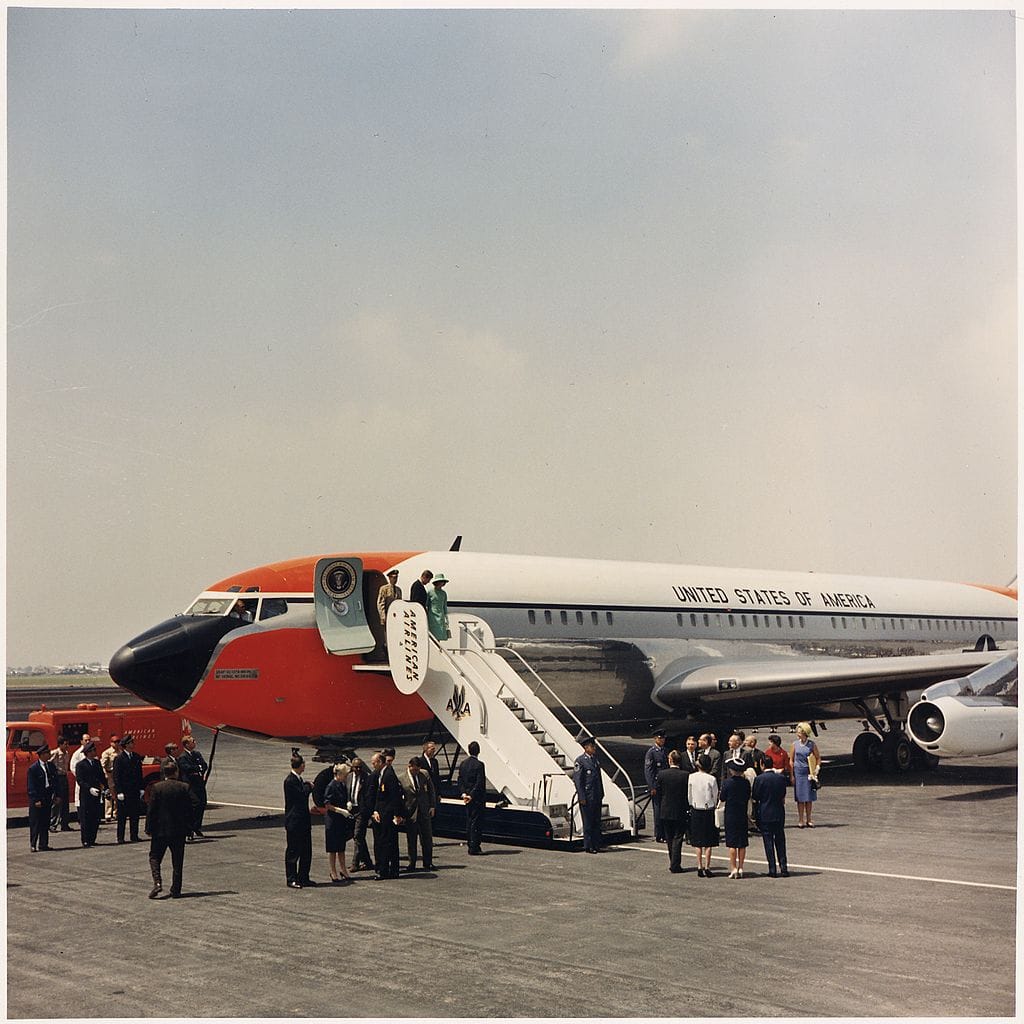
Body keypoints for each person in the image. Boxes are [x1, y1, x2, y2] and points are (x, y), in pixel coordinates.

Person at [145, 761, 193, 898]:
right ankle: (176, 889)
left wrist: (149, 828)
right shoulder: (184, 787)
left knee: (154, 857)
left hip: (160, 830)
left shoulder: (157, 787)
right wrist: (189, 826)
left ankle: (157, 882)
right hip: (179, 830)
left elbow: (151, 810)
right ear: (176, 772)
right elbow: (191, 807)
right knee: (177, 861)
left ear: (164, 773)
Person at [751, 763, 790, 877]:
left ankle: (772, 869)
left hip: (765, 812)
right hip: (778, 812)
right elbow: (783, 793)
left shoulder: (759, 779)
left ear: (762, 765)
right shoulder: (780, 778)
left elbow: (755, 796)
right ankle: (784, 867)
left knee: (768, 841)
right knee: (780, 840)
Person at [372, 747, 405, 879]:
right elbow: (379, 796)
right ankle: (392, 870)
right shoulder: (382, 774)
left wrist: (397, 814)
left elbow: (395, 796)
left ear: (380, 762)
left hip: (388, 814)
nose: (373, 765)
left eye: (374, 763)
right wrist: (375, 810)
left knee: (387, 842)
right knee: (388, 842)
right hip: (382, 813)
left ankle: (385, 871)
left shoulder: (389, 774)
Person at [284, 753, 315, 888]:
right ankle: (291, 878)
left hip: (303, 821)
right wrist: (309, 787)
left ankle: (303, 876)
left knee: (306, 851)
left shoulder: (299, 780)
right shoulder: (290, 781)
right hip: (295, 822)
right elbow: (301, 795)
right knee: (293, 851)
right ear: (300, 765)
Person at [656, 750, 689, 873]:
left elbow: (658, 793)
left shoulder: (662, 774)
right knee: (678, 837)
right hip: (680, 809)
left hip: (665, 809)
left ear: (670, 760)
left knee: (669, 837)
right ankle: (675, 864)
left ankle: (673, 861)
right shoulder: (685, 775)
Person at [401, 756, 436, 871]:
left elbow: (431, 790)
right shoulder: (402, 778)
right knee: (411, 840)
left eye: (417, 770)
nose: (416, 772)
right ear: (409, 766)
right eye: (414, 770)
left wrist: (432, 806)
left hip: (424, 811)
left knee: (427, 838)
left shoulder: (424, 775)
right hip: (410, 813)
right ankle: (412, 863)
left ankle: (428, 862)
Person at [687, 754, 719, 877]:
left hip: (696, 808)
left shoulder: (691, 777)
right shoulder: (711, 779)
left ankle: (699, 866)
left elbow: (689, 795)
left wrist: (691, 803)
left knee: (697, 841)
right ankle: (707, 866)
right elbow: (715, 795)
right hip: (708, 809)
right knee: (708, 841)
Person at [323, 762, 354, 884]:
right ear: (339, 774)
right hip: (333, 819)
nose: (346, 777)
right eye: (345, 775)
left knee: (341, 847)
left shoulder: (341, 785)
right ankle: (333, 871)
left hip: (340, 820)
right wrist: (340, 811)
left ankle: (343, 869)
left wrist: (347, 804)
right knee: (332, 848)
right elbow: (327, 804)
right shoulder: (331, 786)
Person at [573, 735, 604, 854]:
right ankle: (588, 845)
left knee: (596, 821)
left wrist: (601, 793)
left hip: (596, 795)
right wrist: (581, 797)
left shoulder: (595, 760)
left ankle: (596, 844)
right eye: (592, 746)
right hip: (587, 796)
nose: (594, 748)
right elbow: (578, 780)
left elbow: (599, 779)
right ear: (586, 747)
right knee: (588, 822)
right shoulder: (580, 761)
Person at [720, 761, 751, 878]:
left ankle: (733, 868)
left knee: (732, 843)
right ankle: (741, 867)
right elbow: (748, 796)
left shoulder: (727, 783)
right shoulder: (746, 783)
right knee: (742, 843)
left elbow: (722, 798)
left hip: (731, 814)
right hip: (742, 813)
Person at [113, 734, 145, 844]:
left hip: (134, 790)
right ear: (126, 745)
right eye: (131, 743)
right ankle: (120, 837)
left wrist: (141, 788)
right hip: (124, 791)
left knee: (134, 814)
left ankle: (134, 835)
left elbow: (139, 774)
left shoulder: (136, 757)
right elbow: (116, 777)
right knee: (122, 816)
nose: (133, 745)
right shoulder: (119, 759)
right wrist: (119, 791)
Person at [74, 741, 105, 848]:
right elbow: (80, 780)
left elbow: (101, 777)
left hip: (96, 794)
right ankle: (85, 840)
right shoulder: (81, 765)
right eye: (93, 751)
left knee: (95, 817)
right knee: (86, 818)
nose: (95, 752)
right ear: (88, 752)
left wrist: (106, 788)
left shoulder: (97, 763)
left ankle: (92, 838)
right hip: (86, 795)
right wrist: (89, 788)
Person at [458, 740, 486, 855]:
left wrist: (464, 793)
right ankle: (474, 846)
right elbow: (479, 782)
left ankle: (470, 843)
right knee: (476, 822)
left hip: (467, 798)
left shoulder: (463, 763)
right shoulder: (479, 765)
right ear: (478, 751)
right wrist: (472, 795)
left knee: (469, 821)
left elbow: (460, 780)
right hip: (476, 798)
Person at [790, 722, 821, 828]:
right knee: (800, 798)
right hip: (799, 772)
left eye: (799, 732)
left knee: (809, 797)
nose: (797, 734)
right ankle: (800, 819)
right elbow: (791, 760)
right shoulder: (794, 744)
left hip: (808, 772)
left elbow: (818, 757)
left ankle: (809, 819)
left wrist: (817, 768)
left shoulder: (811, 744)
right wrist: (792, 774)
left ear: (804, 733)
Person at [27, 744, 57, 852]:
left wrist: (57, 795)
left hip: (47, 796)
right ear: (42, 755)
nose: (49, 755)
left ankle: (43, 844)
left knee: (45, 821)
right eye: (47, 753)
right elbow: (31, 786)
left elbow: (55, 781)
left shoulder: (51, 766)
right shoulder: (33, 769)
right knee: (35, 822)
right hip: (38, 798)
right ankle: (33, 844)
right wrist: (36, 799)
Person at [178, 734, 209, 838]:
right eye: (192, 741)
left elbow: (204, 765)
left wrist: (198, 768)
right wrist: (197, 768)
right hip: (190, 785)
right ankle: (189, 829)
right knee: (194, 805)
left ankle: (197, 826)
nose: (195, 742)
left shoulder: (197, 754)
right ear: (186, 744)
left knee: (202, 803)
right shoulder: (182, 757)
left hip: (199, 783)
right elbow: (187, 769)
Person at [347, 757, 374, 872]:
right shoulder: (348, 777)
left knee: (358, 835)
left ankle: (355, 863)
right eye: (355, 767)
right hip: (351, 809)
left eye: (360, 767)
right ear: (352, 767)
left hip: (361, 811)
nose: (358, 769)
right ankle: (367, 862)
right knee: (358, 837)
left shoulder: (366, 778)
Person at [644, 730, 669, 842]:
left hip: (665, 785)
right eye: (660, 738)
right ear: (655, 739)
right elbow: (649, 771)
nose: (662, 740)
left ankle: (665, 832)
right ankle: (659, 834)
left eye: (663, 738)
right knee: (658, 810)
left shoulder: (665, 751)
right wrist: (652, 786)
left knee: (665, 810)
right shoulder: (651, 752)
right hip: (657, 785)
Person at [49, 735, 73, 832]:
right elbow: (49, 763)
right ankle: (53, 824)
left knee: (65, 801)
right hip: (57, 778)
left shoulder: (66, 753)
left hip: (64, 777)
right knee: (56, 801)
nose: (67, 746)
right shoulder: (54, 753)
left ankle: (65, 823)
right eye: (65, 744)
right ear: (60, 744)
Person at [100, 734, 120, 823]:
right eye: (115, 742)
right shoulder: (107, 753)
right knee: (109, 795)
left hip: (118, 775)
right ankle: (108, 814)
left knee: (117, 794)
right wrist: (105, 775)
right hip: (110, 775)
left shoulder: (120, 752)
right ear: (111, 743)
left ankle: (116, 813)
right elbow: (102, 765)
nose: (117, 744)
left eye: (118, 742)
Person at [427, 573, 451, 641]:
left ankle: (438, 649)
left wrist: (446, 617)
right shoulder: (430, 592)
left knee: (439, 635)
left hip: (441, 616)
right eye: (441, 581)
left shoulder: (443, 593)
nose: (442, 583)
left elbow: (444, 606)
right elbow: (427, 604)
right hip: (432, 616)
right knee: (432, 635)